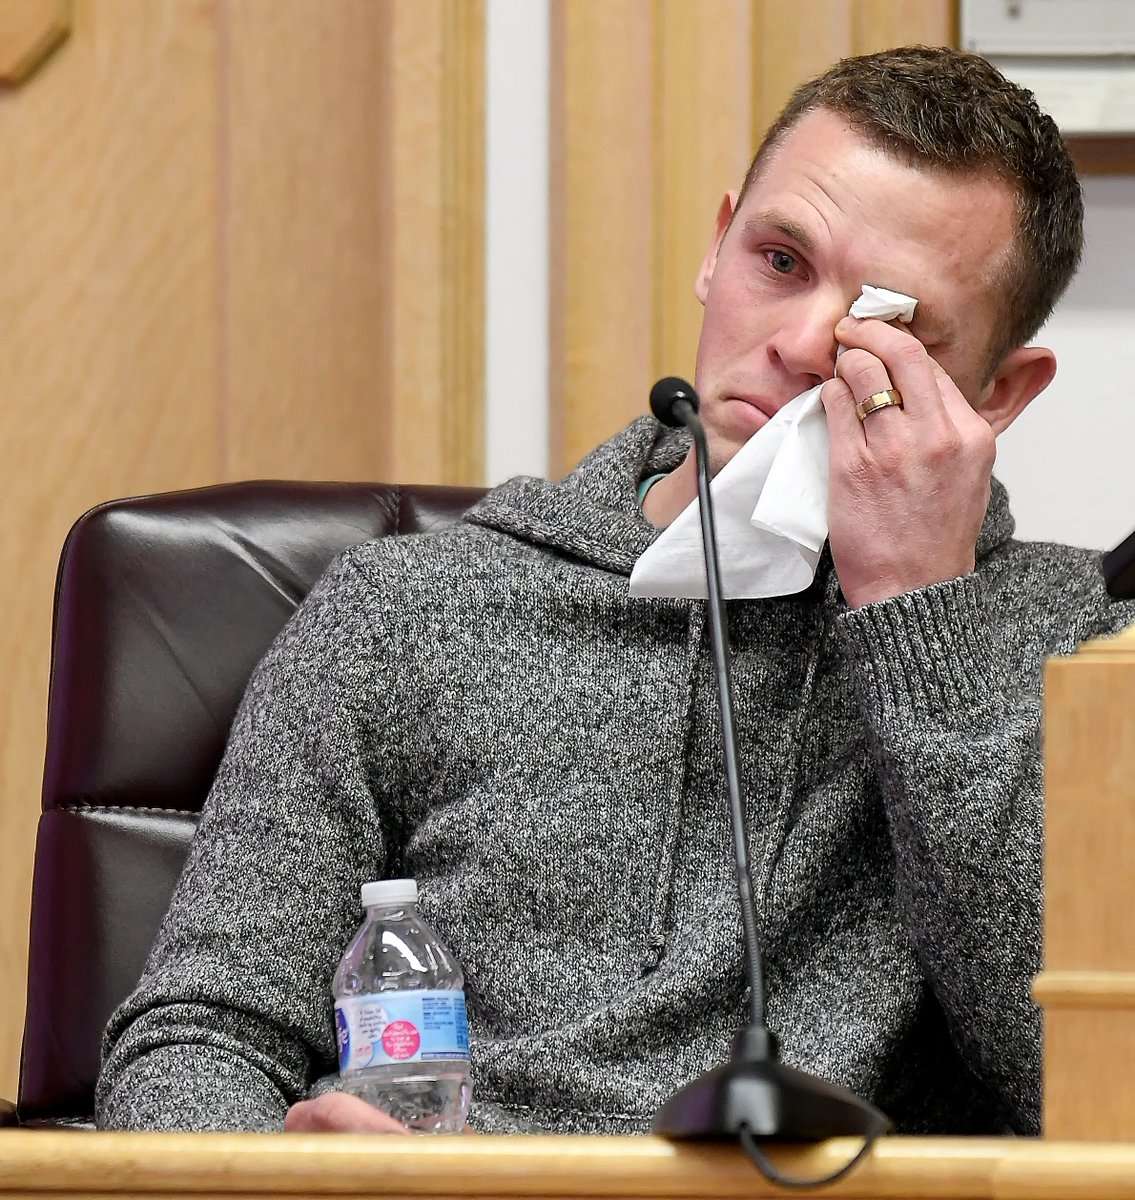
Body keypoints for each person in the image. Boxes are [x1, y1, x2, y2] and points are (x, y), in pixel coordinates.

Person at [96, 45, 1135, 1137]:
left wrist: (918, 616)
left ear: (998, 392)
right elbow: (202, 1031)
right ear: (716, 242)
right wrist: (292, 1172)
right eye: (778, 261)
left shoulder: (1077, 654)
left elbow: (1082, 1082)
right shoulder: (407, 611)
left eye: (884, 322)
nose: (794, 344)